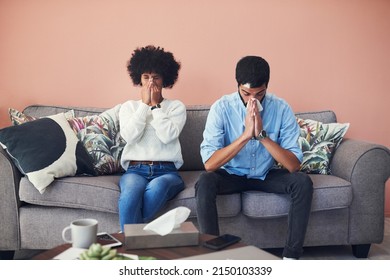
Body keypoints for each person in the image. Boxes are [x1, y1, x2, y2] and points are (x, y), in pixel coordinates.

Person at [195, 55, 313, 259]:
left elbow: (293, 166)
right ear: (237, 86)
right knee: (205, 181)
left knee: (302, 182)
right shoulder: (221, 108)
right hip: (231, 174)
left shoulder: (281, 108)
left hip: (266, 175)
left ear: (267, 86)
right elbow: (210, 164)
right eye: (246, 93)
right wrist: (245, 136)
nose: (253, 100)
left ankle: (291, 257)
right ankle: (212, 257)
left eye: (259, 94)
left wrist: (261, 136)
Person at [118, 45, 186, 230]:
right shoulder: (129, 107)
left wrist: (155, 107)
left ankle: (128, 242)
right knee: (129, 196)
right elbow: (130, 137)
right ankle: (134, 249)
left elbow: (168, 136)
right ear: (139, 78)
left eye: (155, 77)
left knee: (157, 189)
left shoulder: (176, 107)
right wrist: (144, 106)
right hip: (135, 170)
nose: (151, 82)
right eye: (146, 77)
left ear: (164, 80)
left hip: (167, 171)